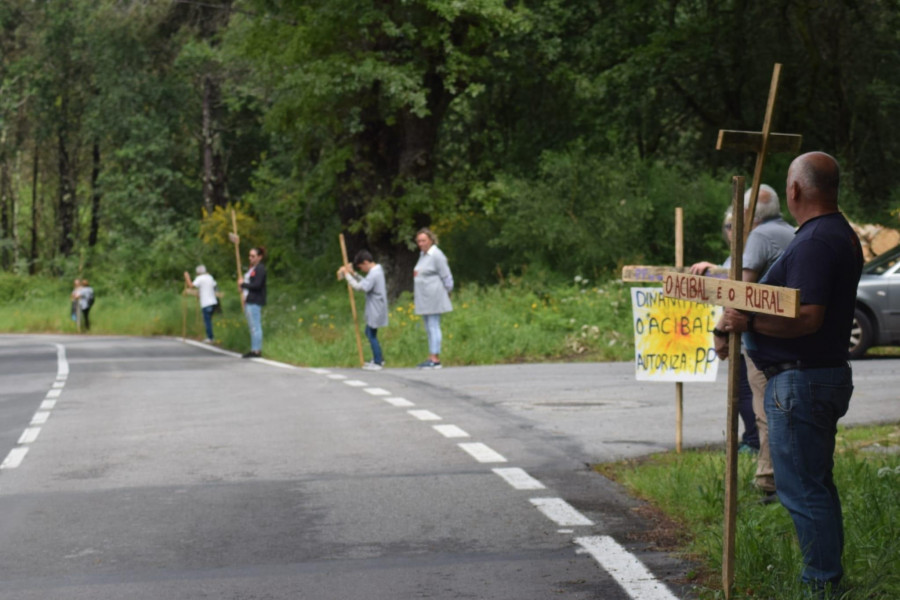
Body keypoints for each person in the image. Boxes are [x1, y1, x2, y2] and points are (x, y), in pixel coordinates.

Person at [720, 152, 862, 595]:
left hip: (801, 380)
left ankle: (820, 585)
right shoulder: (827, 235)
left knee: (802, 490)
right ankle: (825, 581)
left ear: (795, 190)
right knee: (813, 485)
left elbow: (807, 318)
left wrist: (748, 323)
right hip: (811, 377)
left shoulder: (817, 242)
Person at [691, 209, 760, 455]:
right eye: (728, 227)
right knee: (742, 392)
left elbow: (736, 291)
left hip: (745, 335)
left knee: (747, 393)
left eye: (736, 227)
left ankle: (753, 442)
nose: (732, 232)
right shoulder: (734, 258)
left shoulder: (749, 255)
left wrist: (720, 331)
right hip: (738, 336)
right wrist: (712, 268)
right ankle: (751, 439)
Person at [338, 250, 389, 370]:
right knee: (370, 332)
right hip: (376, 307)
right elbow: (366, 282)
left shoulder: (374, 273)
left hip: (376, 308)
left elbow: (361, 287)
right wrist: (354, 274)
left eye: (361, 267)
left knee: (371, 334)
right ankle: (378, 358)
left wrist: (347, 276)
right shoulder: (376, 271)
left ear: (366, 262)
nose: (362, 270)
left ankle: (378, 361)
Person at [413, 228, 453, 369]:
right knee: (428, 327)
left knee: (433, 325)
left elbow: (447, 276)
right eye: (419, 241)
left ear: (430, 240)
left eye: (424, 240)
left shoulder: (436, 254)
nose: (421, 243)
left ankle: (435, 358)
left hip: (434, 295)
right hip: (424, 297)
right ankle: (431, 356)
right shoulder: (423, 255)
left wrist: (447, 292)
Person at [238, 246, 267, 358]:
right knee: (252, 326)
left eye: (253, 256)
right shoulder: (253, 269)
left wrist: (243, 284)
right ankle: (254, 348)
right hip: (250, 299)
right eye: (250, 256)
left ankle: (257, 350)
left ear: (259, 257)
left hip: (255, 300)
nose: (250, 258)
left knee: (255, 326)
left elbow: (257, 285)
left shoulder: (260, 269)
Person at [183, 265, 219, 343]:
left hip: (206, 303)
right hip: (213, 302)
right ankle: (210, 336)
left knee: (207, 321)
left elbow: (191, 286)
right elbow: (214, 286)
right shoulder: (210, 277)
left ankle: (210, 337)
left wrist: (187, 277)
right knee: (209, 320)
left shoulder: (200, 278)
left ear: (198, 272)